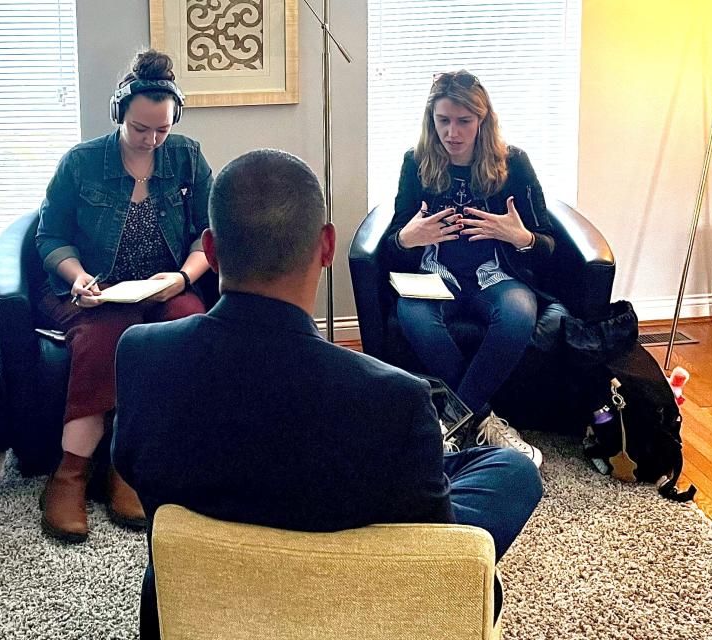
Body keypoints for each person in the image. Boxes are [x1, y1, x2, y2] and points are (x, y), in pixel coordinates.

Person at [112, 148, 543, 639]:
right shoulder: (396, 398)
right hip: (358, 607)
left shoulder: (141, 354)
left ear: (210, 251)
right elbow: (435, 531)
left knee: (472, 465)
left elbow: (131, 463)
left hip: (195, 603)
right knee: (513, 470)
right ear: (327, 247)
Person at [34, 49, 212, 542]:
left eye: (162, 130)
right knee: (104, 335)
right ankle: (70, 474)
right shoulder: (82, 163)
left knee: (187, 326)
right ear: (119, 115)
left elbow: (206, 234)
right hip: (93, 290)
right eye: (141, 129)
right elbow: (49, 238)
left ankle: (129, 465)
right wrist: (78, 278)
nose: (152, 140)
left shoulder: (188, 158)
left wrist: (182, 277)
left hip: (161, 284)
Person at [382, 70, 556, 467]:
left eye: (464, 121)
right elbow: (394, 243)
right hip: (434, 276)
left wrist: (519, 236)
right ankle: (484, 419)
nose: (452, 133)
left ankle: (450, 423)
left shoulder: (513, 164)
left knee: (518, 314)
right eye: (443, 121)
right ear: (432, 121)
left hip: (494, 276)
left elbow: (547, 245)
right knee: (412, 312)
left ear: (482, 120)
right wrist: (410, 238)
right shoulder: (416, 162)